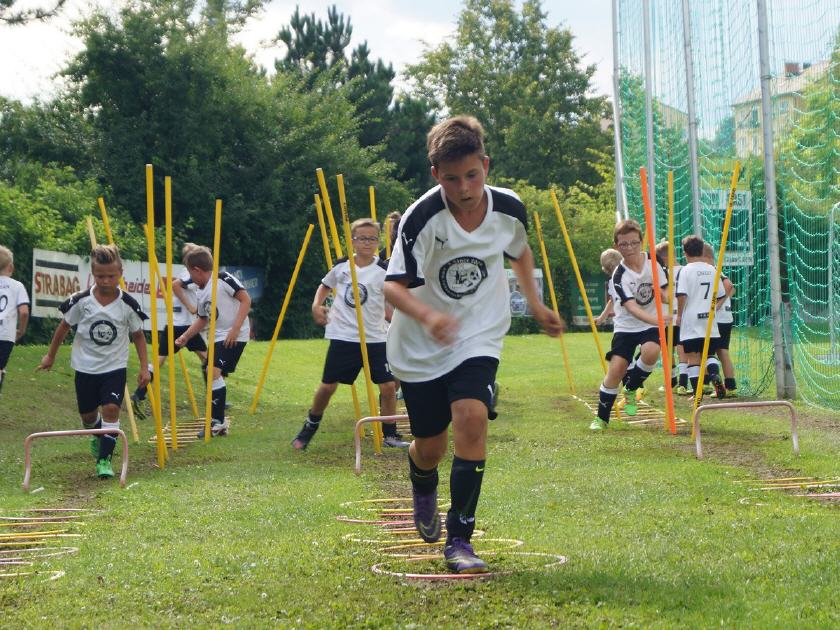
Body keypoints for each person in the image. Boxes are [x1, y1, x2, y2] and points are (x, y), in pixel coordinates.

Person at [384, 116, 563, 574]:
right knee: (430, 446)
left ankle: (460, 538)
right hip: (421, 344)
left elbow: (519, 251)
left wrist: (537, 304)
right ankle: (422, 478)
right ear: (435, 175)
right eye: (451, 179)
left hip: (479, 332)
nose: (464, 188)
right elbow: (392, 287)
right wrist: (428, 316)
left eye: (471, 175)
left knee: (472, 415)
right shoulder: (421, 218)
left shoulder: (509, 208)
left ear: (486, 164)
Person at [292, 218, 408, 450]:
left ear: (378, 242)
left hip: (375, 337)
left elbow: (391, 299)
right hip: (344, 336)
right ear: (353, 241)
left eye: (372, 239)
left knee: (388, 386)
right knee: (328, 386)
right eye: (362, 238)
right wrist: (316, 305)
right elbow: (325, 285)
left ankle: (390, 434)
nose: (367, 243)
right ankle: (310, 424)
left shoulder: (384, 269)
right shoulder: (342, 266)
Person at [37, 245, 150, 479]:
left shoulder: (128, 304)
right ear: (93, 274)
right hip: (85, 367)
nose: (106, 281)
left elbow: (138, 336)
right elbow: (64, 327)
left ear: (120, 273)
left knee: (111, 409)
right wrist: (50, 356)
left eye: (111, 276)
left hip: (114, 367)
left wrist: (143, 367)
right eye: (100, 276)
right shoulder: (81, 301)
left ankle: (104, 460)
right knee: (88, 417)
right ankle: (98, 435)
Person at [589, 219, 668, 431]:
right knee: (617, 369)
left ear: (641, 242)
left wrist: (667, 297)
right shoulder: (619, 275)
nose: (630, 248)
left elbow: (667, 289)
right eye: (624, 244)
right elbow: (632, 308)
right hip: (627, 326)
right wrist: (659, 321)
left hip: (651, 322)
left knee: (652, 351)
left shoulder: (655, 261)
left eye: (634, 243)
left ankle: (631, 388)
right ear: (617, 246)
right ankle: (602, 418)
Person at [174, 247, 250, 437]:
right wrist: (186, 336)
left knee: (212, 371)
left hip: (235, 335)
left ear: (197, 270)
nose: (190, 278)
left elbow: (245, 299)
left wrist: (235, 328)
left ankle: (217, 422)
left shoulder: (223, 279)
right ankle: (219, 422)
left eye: (190, 273)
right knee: (211, 373)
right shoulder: (200, 291)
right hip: (217, 336)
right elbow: (202, 319)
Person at [130, 242, 208, 418]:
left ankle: (139, 393)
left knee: (159, 361)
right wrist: (190, 307)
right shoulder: (188, 274)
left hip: (174, 324)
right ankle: (215, 397)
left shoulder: (188, 273)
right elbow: (174, 285)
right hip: (185, 325)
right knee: (208, 359)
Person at [675, 236, 727, 399]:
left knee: (693, 357)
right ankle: (714, 375)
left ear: (685, 253)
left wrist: (679, 315)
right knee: (710, 354)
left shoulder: (685, 270)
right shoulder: (712, 270)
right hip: (709, 319)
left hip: (691, 319)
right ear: (702, 251)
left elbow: (682, 295)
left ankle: (697, 394)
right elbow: (721, 294)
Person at [703, 243, 737, 397]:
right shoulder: (715, 271)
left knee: (706, 352)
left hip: (717, 319)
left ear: (706, 257)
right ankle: (730, 385)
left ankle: (707, 383)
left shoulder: (712, 270)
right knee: (723, 351)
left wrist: (717, 305)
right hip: (726, 318)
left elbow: (729, 286)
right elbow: (732, 290)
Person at [0, 246, 30, 398]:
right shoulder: (17, 286)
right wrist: (21, 330)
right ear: (11, 267)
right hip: (6, 334)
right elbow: (24, 312)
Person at [594, 248, 622, 326]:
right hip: (623, 322)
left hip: (625, 321)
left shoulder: (617, 280)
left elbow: (612, 300)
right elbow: (612, 300)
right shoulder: (612, 282)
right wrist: (601, 318)